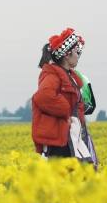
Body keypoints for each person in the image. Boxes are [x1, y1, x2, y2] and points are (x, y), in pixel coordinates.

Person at [32, 28, 97, 166]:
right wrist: (67, 110)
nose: (78, 55)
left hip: (70, 137)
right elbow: (43, 96)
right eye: (75, 52)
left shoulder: (70, 76)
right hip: (60, 139)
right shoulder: (53, 75)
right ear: (67, 55)